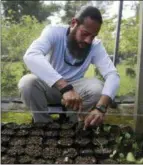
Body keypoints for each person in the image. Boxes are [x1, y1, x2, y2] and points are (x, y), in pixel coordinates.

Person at [18, 5, 120, 129]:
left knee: (97, 88)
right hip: (50, 86)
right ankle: (43, 125)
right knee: (27, 82)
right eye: (85, 34)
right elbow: (31, 55)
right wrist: (65, 88)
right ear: (73, 23)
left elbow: (112, 75)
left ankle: (73, 124)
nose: (88, 40)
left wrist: (101, 108)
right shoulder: (54, 32)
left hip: (77, 89)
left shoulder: (95, 45)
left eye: (93, 36)